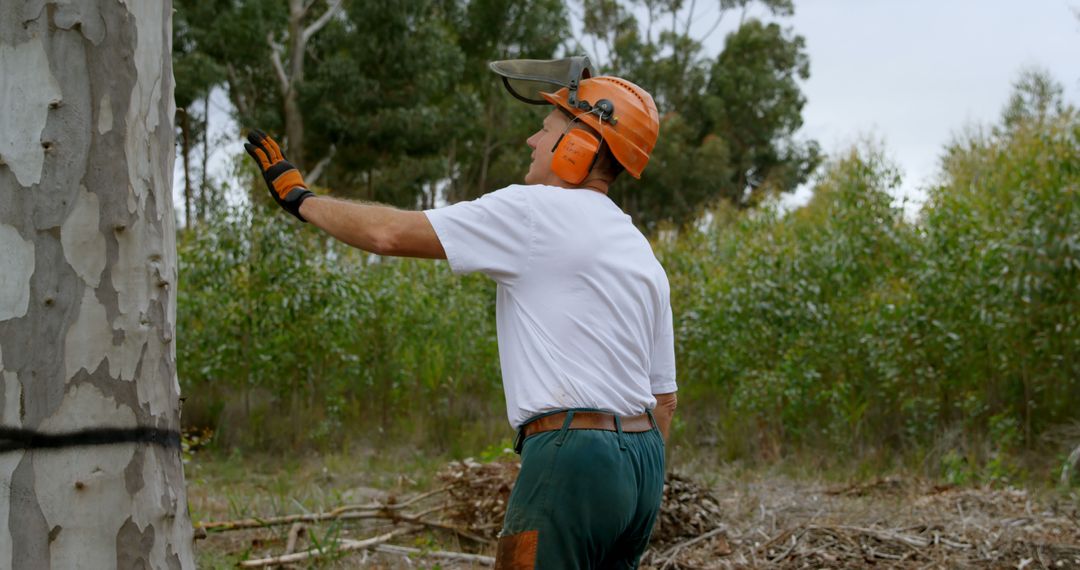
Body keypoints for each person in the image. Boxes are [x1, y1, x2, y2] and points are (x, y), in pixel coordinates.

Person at [244, 61, 677, 569]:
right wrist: (631, 476)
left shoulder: (534, 210)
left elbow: (388, 234)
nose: (532, 142)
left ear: (580, 145)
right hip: (644, 466)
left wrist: (302, 200)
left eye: (546, 129)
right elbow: (664, 401)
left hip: (573, 458)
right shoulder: (638, 249)